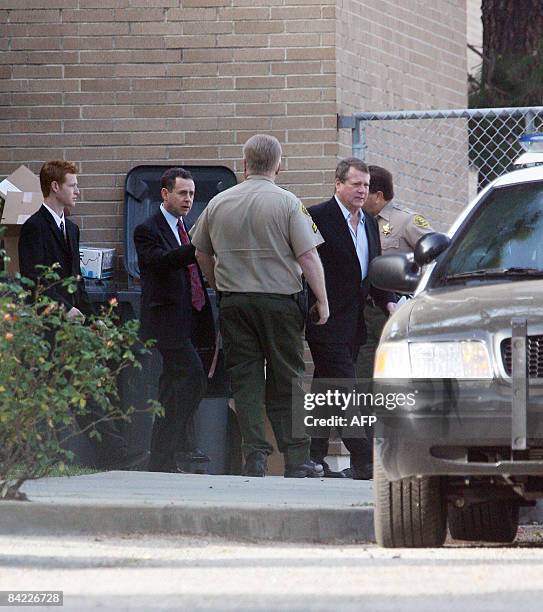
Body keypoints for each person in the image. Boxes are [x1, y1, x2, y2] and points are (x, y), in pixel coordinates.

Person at [190, 134, 329, 478]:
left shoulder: (219, 202)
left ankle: (254, 456)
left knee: (246, 380)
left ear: (244, 163)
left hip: (235, 302)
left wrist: (218, 284)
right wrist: (322, 300)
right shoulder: (288, 203)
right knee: (289, 377)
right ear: (279, 165)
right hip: (280, 303)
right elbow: (308, 255)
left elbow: (200, 252)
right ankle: (297, 458)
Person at [18, 159, 146, 470]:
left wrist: (92, 315)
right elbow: (35, 280)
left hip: (73, 326)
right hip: (48, 327)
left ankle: (113, 453)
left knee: (83, 389)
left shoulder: (71, 229)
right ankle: (111, 453)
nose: (78, 191)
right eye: (73, 185)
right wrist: (64, 310)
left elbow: (78, 282)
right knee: (65, 391)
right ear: (55, 187)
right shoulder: (35, 228)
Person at [305, 158, 397, 480]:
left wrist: (388, 302)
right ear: (338, 183)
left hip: (355, 322)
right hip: (325, 319)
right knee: (346, 388)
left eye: (366, 186)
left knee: (326, 389)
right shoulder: (317, 216)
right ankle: (365, 459)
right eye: (356, 184)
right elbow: (305, 264)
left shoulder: (370, 222)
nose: (362, 191)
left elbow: (372, 271)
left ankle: (312, 456)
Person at [134, 167, 215, 473]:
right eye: (182, 193)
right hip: (166, 323)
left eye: (192, 194)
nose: (188, 199)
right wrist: (195, 248)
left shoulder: (186, 227)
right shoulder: (148, 229)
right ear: (165, 194)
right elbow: (159, 262)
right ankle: (175, 445)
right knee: (193, 378)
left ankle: (162, 459)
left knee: (172, 390)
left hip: (191, 320)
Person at [357, 165, 434, 380]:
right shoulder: (359, 221)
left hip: (395, 308)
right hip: (367, 309)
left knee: (393, 371)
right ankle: (366, 413)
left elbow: (437, 251)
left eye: (366, 188)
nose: (361, 194)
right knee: (363, 372)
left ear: (378, 195)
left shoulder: (406, 220)